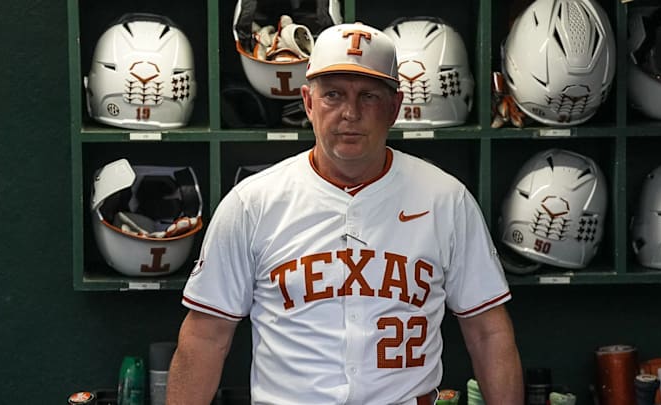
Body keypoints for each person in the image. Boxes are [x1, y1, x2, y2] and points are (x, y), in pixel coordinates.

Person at [166, 22, 524, 405]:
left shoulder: (446, 199)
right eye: (333, 94)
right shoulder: (252, 204)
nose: (350, 113)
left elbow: (488, 333)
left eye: (368, 96)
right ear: (307, 102)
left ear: (394, 107)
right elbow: (206, 337)